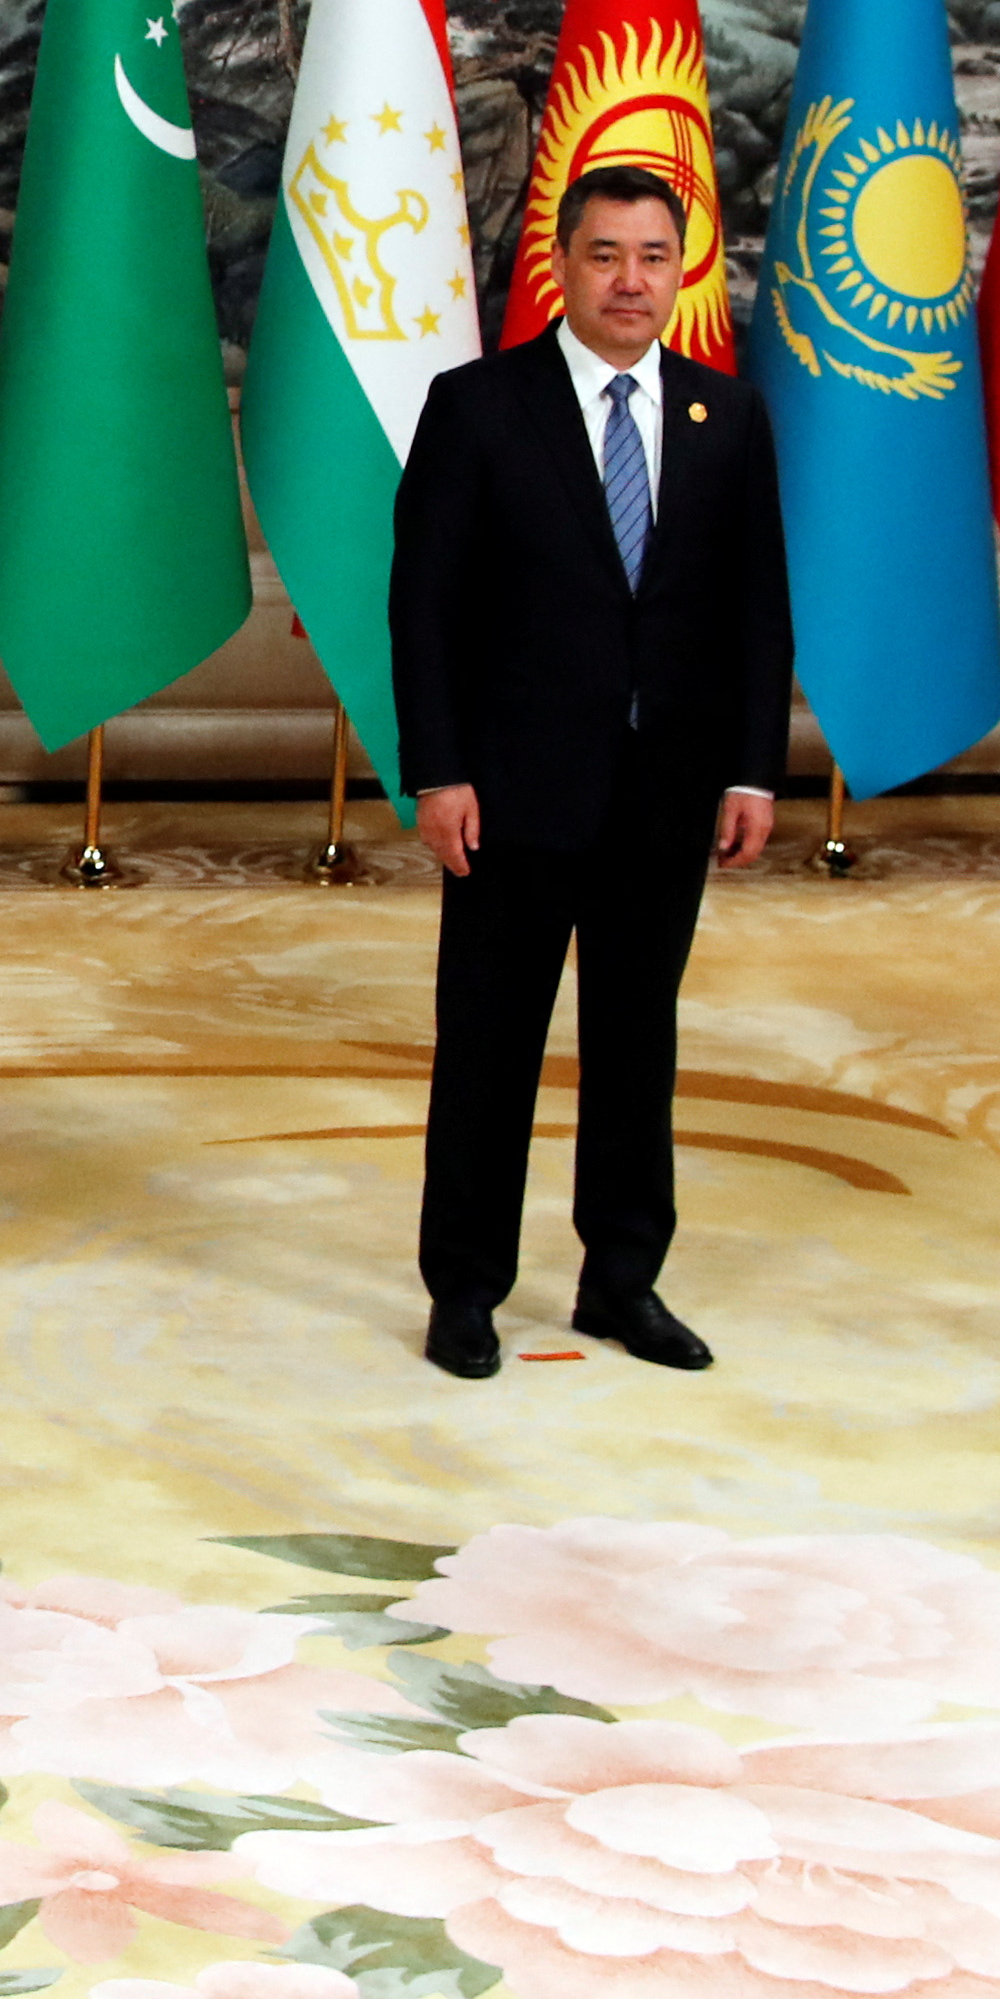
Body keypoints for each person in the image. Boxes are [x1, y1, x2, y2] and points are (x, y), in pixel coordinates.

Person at [387, 165, 788, 1379]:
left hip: (665, 795)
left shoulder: (729, 416)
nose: (631, 279)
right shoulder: (479, 406)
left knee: (635, 1043)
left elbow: (756, 611)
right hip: (510, 794)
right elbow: (425, 606)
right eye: (606, 254)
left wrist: (753, 771)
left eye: (654, 256)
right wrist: (439, 770)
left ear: (683, 271)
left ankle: (622, 1280)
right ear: (563, 265)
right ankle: (466, 1286)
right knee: (490, 1046)